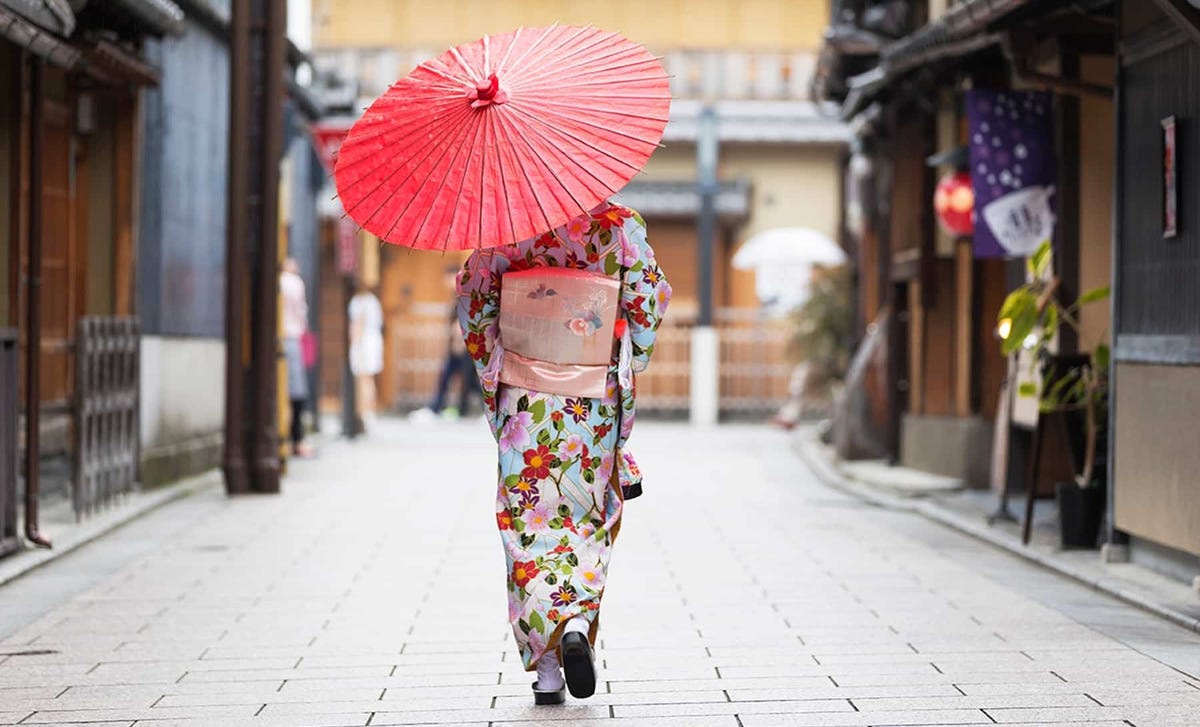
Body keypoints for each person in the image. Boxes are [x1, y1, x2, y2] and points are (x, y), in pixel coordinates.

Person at [456, 201, 670, 704]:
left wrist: (499, 361)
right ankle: (575, 617)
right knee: (584, 516)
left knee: (527, 522)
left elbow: (472, 304)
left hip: (526, 401)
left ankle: (548, 669)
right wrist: (623, 359)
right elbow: (649, 301)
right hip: (591, 399)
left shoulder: (503, 227)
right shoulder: (620, 225)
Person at [280, 258, 313, 458]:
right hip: (291, 338)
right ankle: (297, 440)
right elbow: (302, 312)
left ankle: (290, 439)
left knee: (288, 392)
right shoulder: (293, 282)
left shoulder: (280, 281)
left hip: (280, 337)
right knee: (296, 392)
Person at [348, 283, 385, 431]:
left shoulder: (359, 302)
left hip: (364, 342)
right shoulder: (373, 300)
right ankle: (369, 413)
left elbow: (357, 324)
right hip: (374, 340)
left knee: (363, 379)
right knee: (369, 379)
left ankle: (365, 413)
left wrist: (356, 344)